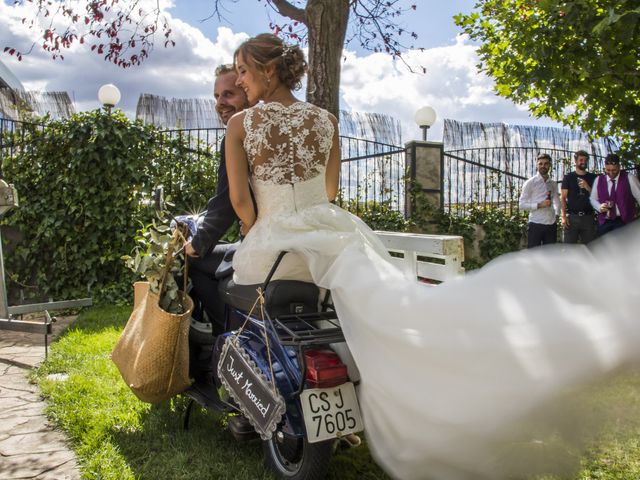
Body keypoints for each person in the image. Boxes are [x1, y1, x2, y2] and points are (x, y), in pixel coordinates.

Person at [225, 33, 640, 480]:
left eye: (244, 70)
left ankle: (248, 408)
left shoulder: (241, 125)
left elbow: (242, 204)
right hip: (331, 239)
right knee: (389, 306)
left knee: (233, 294)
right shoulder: (325, 121)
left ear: (268, 70)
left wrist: (259, 229)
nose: (241, 81)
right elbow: (328, 193)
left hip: (274, 251)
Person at [184, 64, 250, 330]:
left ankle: (226, 334)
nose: (220, 103)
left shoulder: (238, 132)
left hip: (260, 243)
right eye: (216, 96)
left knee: (195, 261)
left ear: (248, 90)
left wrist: (196, 245)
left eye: (229, 94)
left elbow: (225, 205)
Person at [590, 153, 640, 236]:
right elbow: (593, 199)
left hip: (624, 222)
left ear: (619, 167)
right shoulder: (599, 180)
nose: (611, 173)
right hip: (604, 222)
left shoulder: (630, 178)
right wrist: (599, 207)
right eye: (608, 170)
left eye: (614, 170)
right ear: (605, 167)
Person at [518, 153, 561, 248]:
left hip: (551, 224)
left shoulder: (553, 184)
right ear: (537, 165)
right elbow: (521, 205)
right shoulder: (530, 183)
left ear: (550, 165)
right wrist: (539, 205)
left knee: (550, 255)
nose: (543, 166)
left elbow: (557, 201)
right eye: (540, 164)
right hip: (535, 224)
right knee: (533, 256)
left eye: (546, 164)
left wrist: (557, 215)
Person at [560, 150, 597, 243]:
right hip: (572, 218)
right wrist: (563, 216)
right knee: (569, 249)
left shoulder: (593, 177)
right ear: (575, 161)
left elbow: (598, 197)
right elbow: (563, 198)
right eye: (581, 160)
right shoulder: (568, 177)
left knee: (590, 249)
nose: (583, 162)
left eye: (585, 160)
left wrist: (587, 187)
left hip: (589, 218)